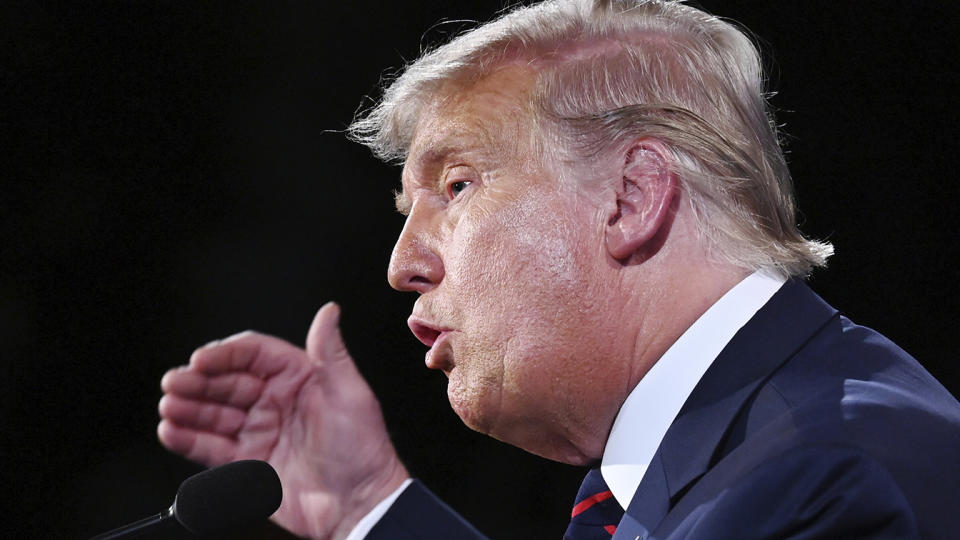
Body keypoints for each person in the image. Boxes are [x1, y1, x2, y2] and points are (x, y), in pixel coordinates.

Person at [157, 1, 960, 538]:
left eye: (457, 186)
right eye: (409, 212)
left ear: (632, 197)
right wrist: (371, 503)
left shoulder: (824, 480)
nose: (403, 265)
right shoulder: (752, 448)